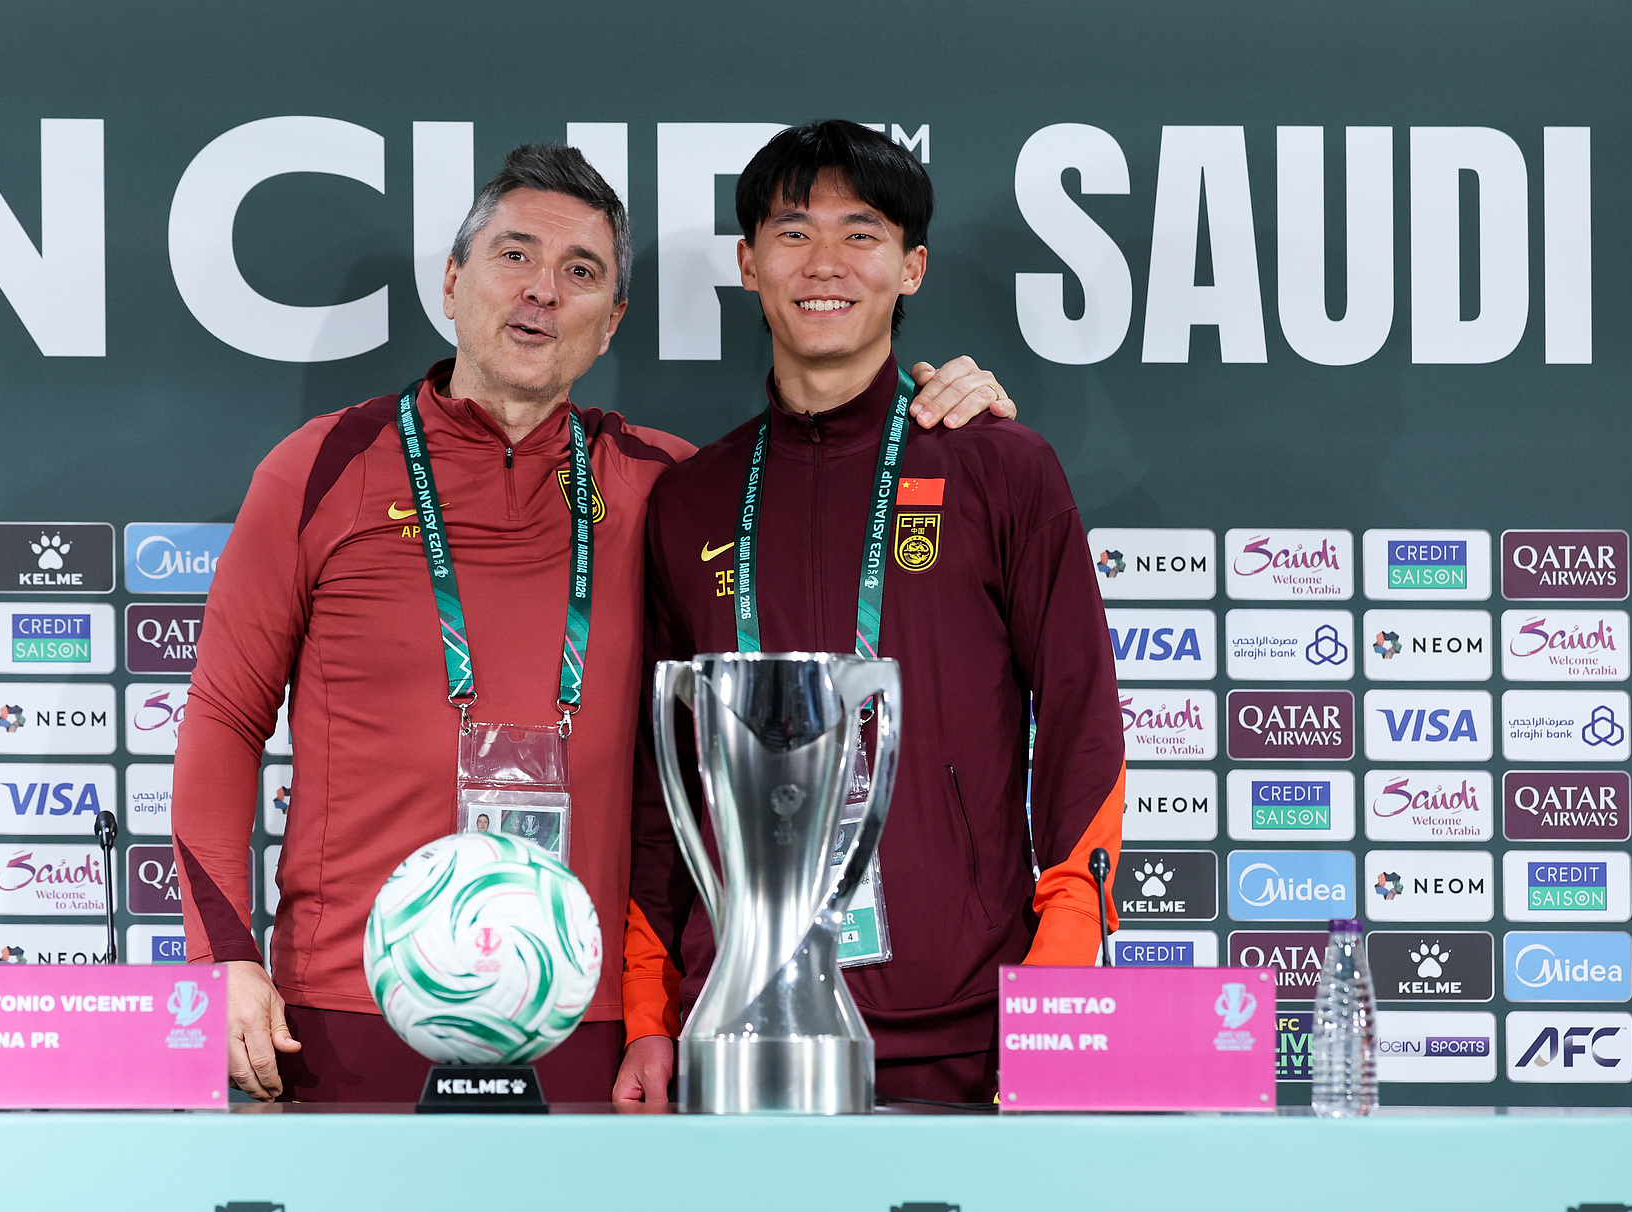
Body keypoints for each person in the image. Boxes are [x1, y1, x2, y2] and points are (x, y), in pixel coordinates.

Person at [173, 141, 1017, 1103]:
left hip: (590, 1021)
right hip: (349, 1007)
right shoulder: (320, 469)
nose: (542, 292)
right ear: (453, 282)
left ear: (611, 322)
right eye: (514, 256)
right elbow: (222, 719)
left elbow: (829, 474)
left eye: (581, 273)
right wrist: (225, 958)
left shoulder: (676, 490)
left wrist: (945, 404)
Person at [615, 122, 1125, 1107]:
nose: (824, 264)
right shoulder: (689, 499)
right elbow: (656, 781)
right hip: (740, 1028)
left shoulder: (998, 467)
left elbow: (1080, 721)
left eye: (860, 234)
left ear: (911, 266)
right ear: (747, 262)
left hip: (969, 1035)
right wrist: (649, 1013)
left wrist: (1057, 992)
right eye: (793, 232)